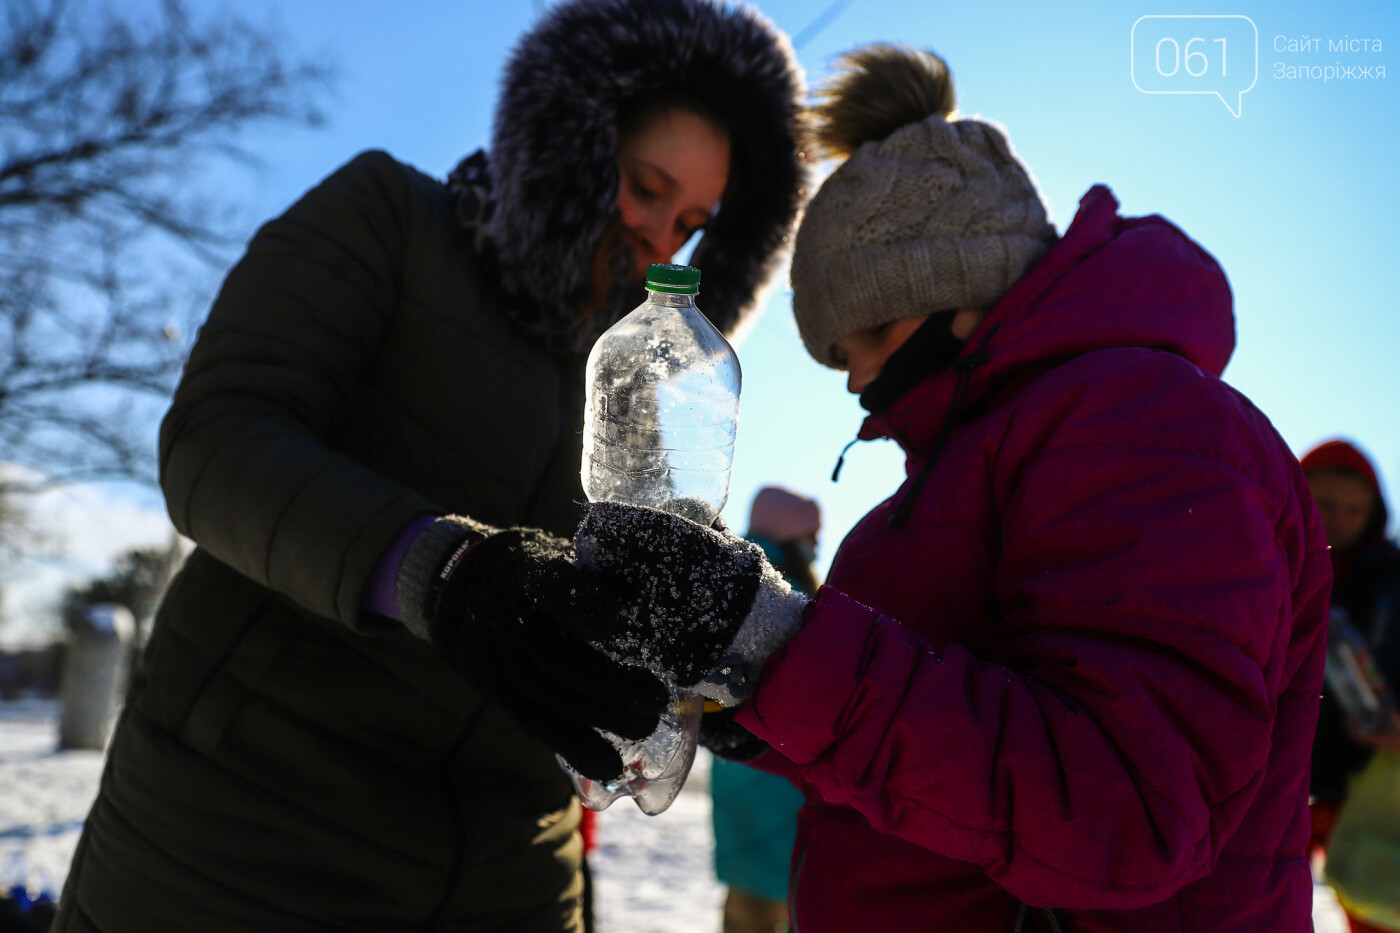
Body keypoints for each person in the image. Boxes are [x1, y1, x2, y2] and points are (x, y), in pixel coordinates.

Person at [50, 1, 805, 929]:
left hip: (510, 872)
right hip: (241, 835)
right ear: (568, 145)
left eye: (695, 222)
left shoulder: (647, 385)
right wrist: (438, 572)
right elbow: (219, 438)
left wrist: (703, 654)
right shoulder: (389, 220)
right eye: (647, 188)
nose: (662, 239)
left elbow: (621, 600)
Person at [561, 44, 1331, 932]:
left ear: (957, 284)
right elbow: (941, 751)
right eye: (836, 356)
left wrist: (770, 645)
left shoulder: (1147, 424)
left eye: (870, 334)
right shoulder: (970, 469)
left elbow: (1126, 808)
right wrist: (748, 704)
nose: (855, 384)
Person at [710, 486, 819, 933]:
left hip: (736, 774)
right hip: (786, 780)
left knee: (745, 911)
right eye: (812, 535)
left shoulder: (723, 582)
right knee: (791, 908)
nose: (817, 546)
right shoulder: (791, 601)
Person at [1302, 439, 1400, 933]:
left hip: (1367, 777)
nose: (1338, 518)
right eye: (1323, 504)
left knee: (1373, 898)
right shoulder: (1269, 567)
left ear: (1374, 512)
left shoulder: (1392, 579)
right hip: (1287, 776)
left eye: (1352, 508)